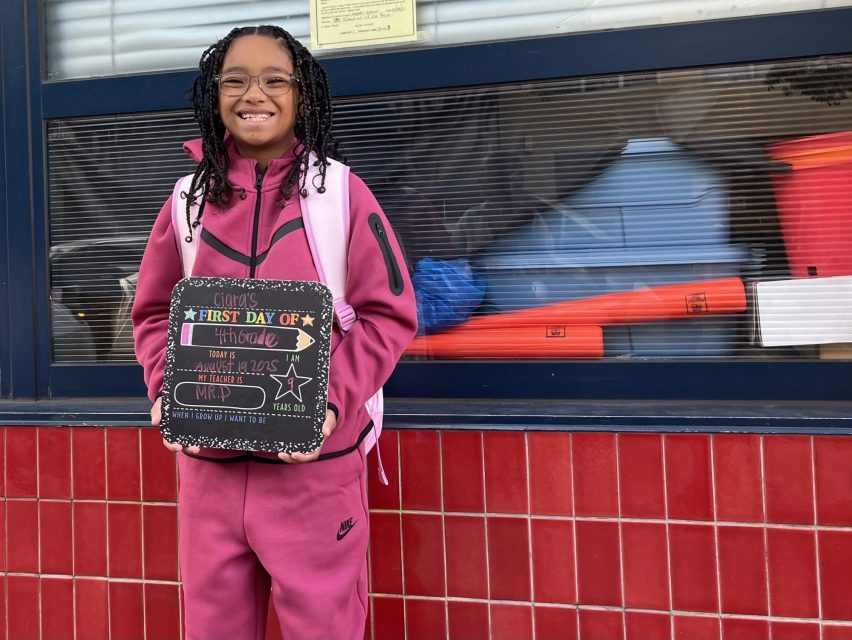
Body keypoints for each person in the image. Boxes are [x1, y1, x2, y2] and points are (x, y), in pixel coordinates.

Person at [131, 25, 417, 640]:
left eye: (273, 80)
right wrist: (163, 384)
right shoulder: (187, 202)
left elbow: (389, 315)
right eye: (233, 80)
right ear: (214, 97)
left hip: (313, 471)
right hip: (209, 472)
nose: (251, 94)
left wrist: (330, 405)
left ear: (302, 97)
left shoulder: (339, 194)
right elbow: (154, 312)